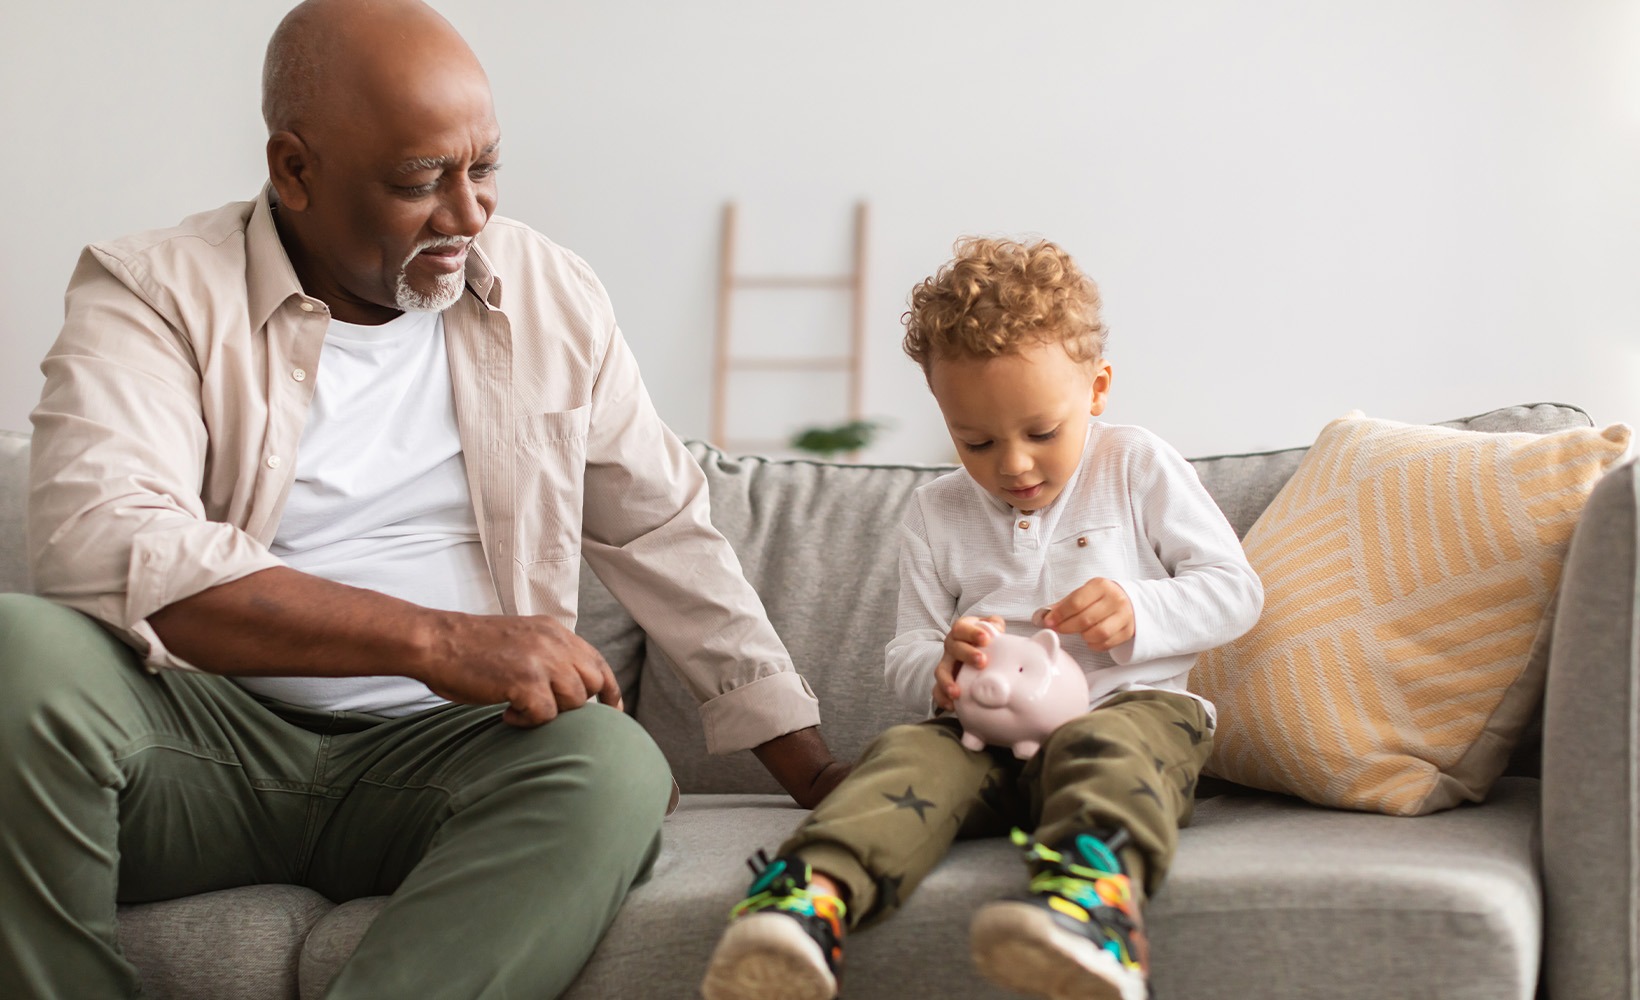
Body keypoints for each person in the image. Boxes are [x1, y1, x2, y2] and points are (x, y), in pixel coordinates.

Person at [0, 1, 849, 997]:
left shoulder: (549, 294)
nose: (467, 214)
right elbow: (103, 544)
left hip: (449, 768)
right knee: (18, 649)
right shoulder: (152, 291)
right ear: (293, 169)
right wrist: (443, 642)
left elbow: (662, 530)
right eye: (418, 182)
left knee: (609, 764)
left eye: (482, 167)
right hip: (197, 751)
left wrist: (819, 777)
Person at [701, 237, 1263, 1000]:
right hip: (985, 736)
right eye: (976, 441)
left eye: (1041, 432)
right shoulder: (936, 511)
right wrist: (942, 666)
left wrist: (1140, 608)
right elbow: (908, 645)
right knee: (905, 757)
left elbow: (1236, 590)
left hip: (1132, 712)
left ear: (1096, 388)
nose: (1014, 466)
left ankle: (1092, 918)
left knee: (1107, 746)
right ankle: (804, 904)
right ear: (944, 415)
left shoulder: (1136, 466)